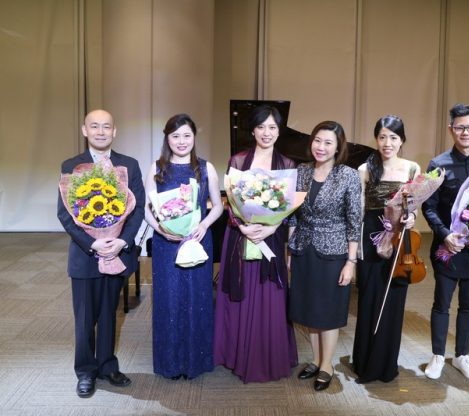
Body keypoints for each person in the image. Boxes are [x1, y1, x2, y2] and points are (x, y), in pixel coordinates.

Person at [57, 109, 145, 398]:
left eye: (106, 127)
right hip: (85, 257)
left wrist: (123, 241)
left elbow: (138, 208)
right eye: (94, 126)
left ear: (114, 131)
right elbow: (66, 215)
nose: (100, 131)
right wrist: (93, 243)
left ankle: (107, 366)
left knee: (109, 313)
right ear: (85, 130)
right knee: (85, 319)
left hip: (117, 253)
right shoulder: (71, 165)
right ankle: (85, 371)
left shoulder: (129, 165)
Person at [213, 105, 298, 383]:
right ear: (253, 130)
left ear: (279, 131)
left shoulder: (287, 164)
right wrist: (245, 226)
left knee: (269, 294)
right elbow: (230, 202)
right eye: (261, 127)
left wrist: (272, 225)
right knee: (241, 292)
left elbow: (288, 207)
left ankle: (265, 356)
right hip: (240, 235)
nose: (267, 132)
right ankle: (234, 353)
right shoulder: (238, 160)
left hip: (270, 237)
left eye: (272, 127)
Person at [144, 113, 223, 380]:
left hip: (198, 240)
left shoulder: (206, 167)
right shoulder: (156, 168)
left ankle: (195, 361)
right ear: (167, 138)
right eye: (175, 135)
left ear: (194, 138)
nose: (181, 141)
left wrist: (203, 226)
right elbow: (147, 209)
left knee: (197, 299)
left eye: (186, 135)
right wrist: (161, 229)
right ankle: (170, 362)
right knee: (169, 300)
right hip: (166, 244)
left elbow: (218, 206)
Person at [422, 103, 469, 381]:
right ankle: (438, 356)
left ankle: (462, 355)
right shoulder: (437, 164)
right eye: (460, 127)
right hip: (447, 247)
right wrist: (445, 235)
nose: (466, 132)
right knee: (442, 304)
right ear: (451, 129)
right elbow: (428, 207)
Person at [288, 120, 362, 391]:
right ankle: (317, 360)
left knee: (328, 312)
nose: (321, 147)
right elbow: (294, 215)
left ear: (338, 147)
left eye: (328, 142)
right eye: (317, 140)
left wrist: (350, 262)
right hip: (303, 248)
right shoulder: (302, 170)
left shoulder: (348, 175)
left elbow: (355, 221)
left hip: (334, 252)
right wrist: (290, 248)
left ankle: (327, 365)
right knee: (309, 310)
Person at [352, 115, 420, 383]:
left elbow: (414, 207)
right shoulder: (364, 169)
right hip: (371, 238)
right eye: (382, 136)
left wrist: (411, 218)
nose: (387, 142)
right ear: (376, 139)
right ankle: (365, 363)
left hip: (399, 239)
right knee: (369, 299)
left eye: (393, 137)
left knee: (393, 301)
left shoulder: (412, 168)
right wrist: (355, 251)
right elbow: (358, 211)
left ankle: (386, 364)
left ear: (402, 140)